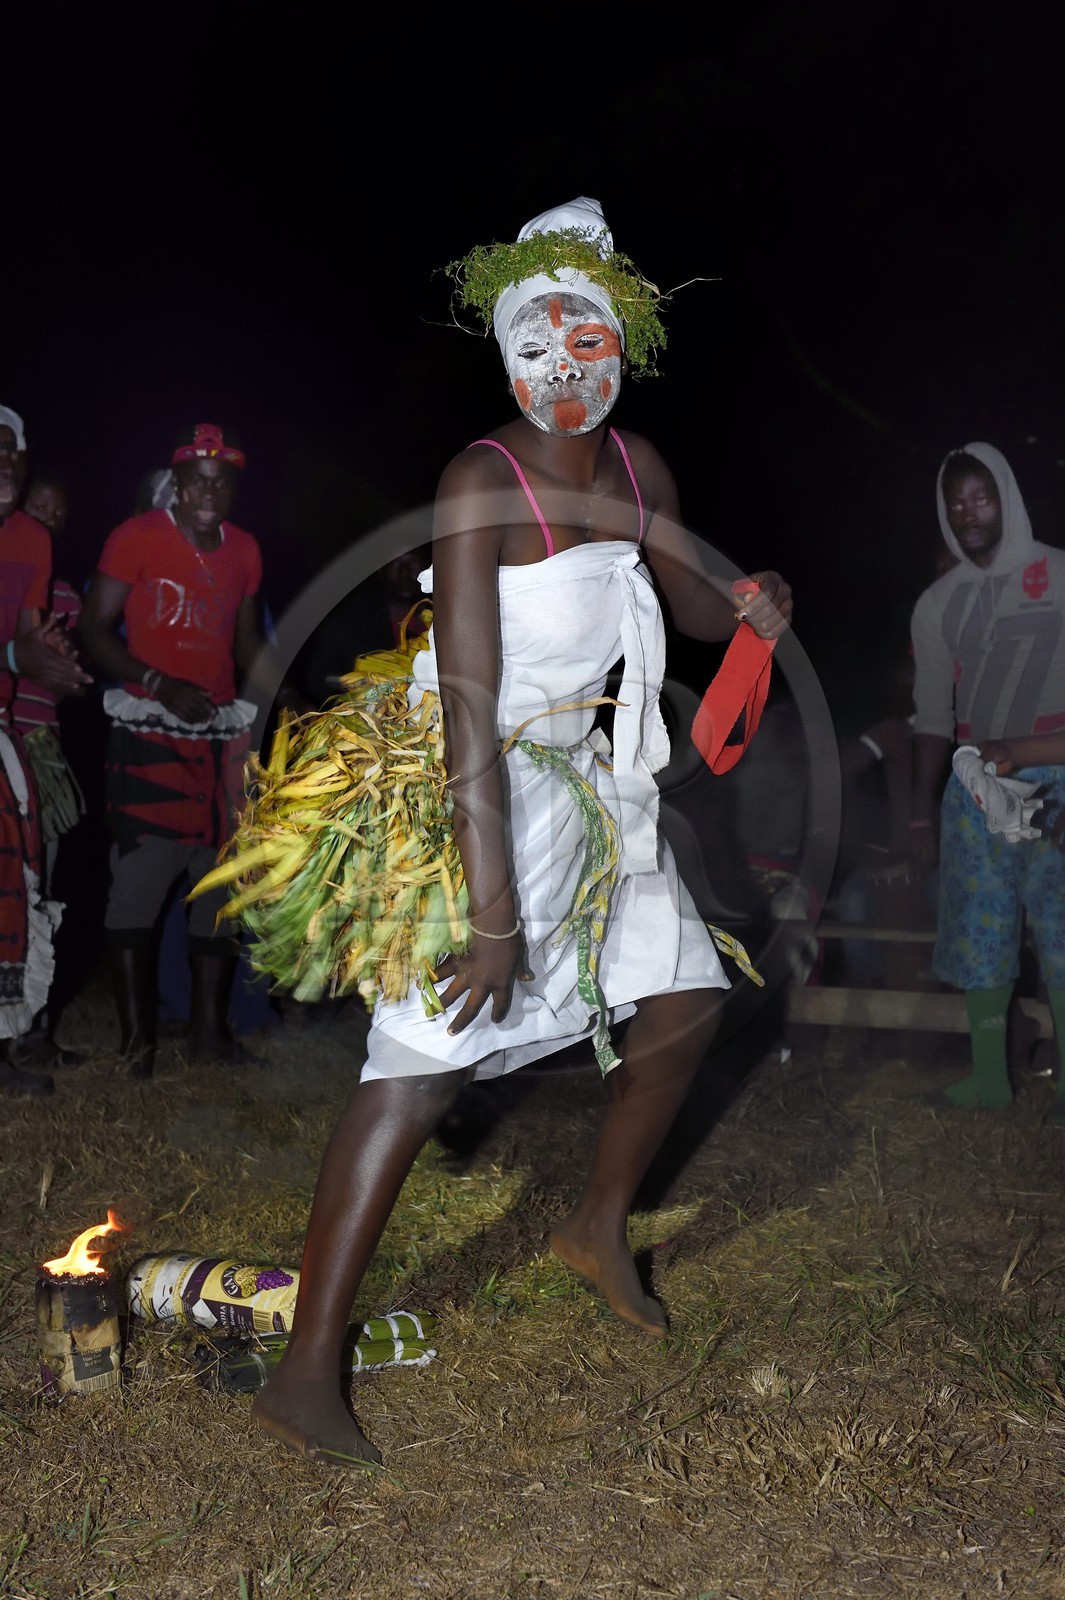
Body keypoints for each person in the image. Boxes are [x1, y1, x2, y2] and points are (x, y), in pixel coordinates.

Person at [249, 197, 793, 1467]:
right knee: (425, 1060)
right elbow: (470, 721)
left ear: (622, 341)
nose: (566, 370)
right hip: (483, 787)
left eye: (588, 341)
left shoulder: (638, 467)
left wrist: (758, 599)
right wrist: (494, 920)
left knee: (687, 1001)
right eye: (539, 348)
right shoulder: (476, 483)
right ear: (507, 358)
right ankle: (307, 1365)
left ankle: (594, 1224)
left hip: (596, 782)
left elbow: (700, 613)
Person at [77, 422, 291, 1077]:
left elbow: (250, 644)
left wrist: (290, 699)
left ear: (232, 489)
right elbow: (92, 628)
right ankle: (137, 1044)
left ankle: (207, 1036)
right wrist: (158, 681)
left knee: (218, 886)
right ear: (177, 484)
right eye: (196, 480)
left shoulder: (246, 551)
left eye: (220, 481)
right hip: (147, 727)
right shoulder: (136, 538)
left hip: (221, 736)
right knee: (139, 885)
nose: (207, 491)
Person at [909, 442, 1065, 1113]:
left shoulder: (1059, 575)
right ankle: (987, 1077)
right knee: (981, 928)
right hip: (974, 786)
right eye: (954, 502)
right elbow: (930, 716)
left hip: (1056, 777)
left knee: (1059, 928)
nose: (966, 513)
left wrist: (1028, 748)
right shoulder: (936, 603)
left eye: (979, 496)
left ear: (1005, 494)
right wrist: (919, 812)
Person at [0, 407, 93, 1094]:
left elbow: (27, 643)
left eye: (15, 455)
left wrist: (50, 661)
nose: (6, 464)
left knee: (17, 887)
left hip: (10, 734)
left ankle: (8, 1049)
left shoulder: (30, 539)